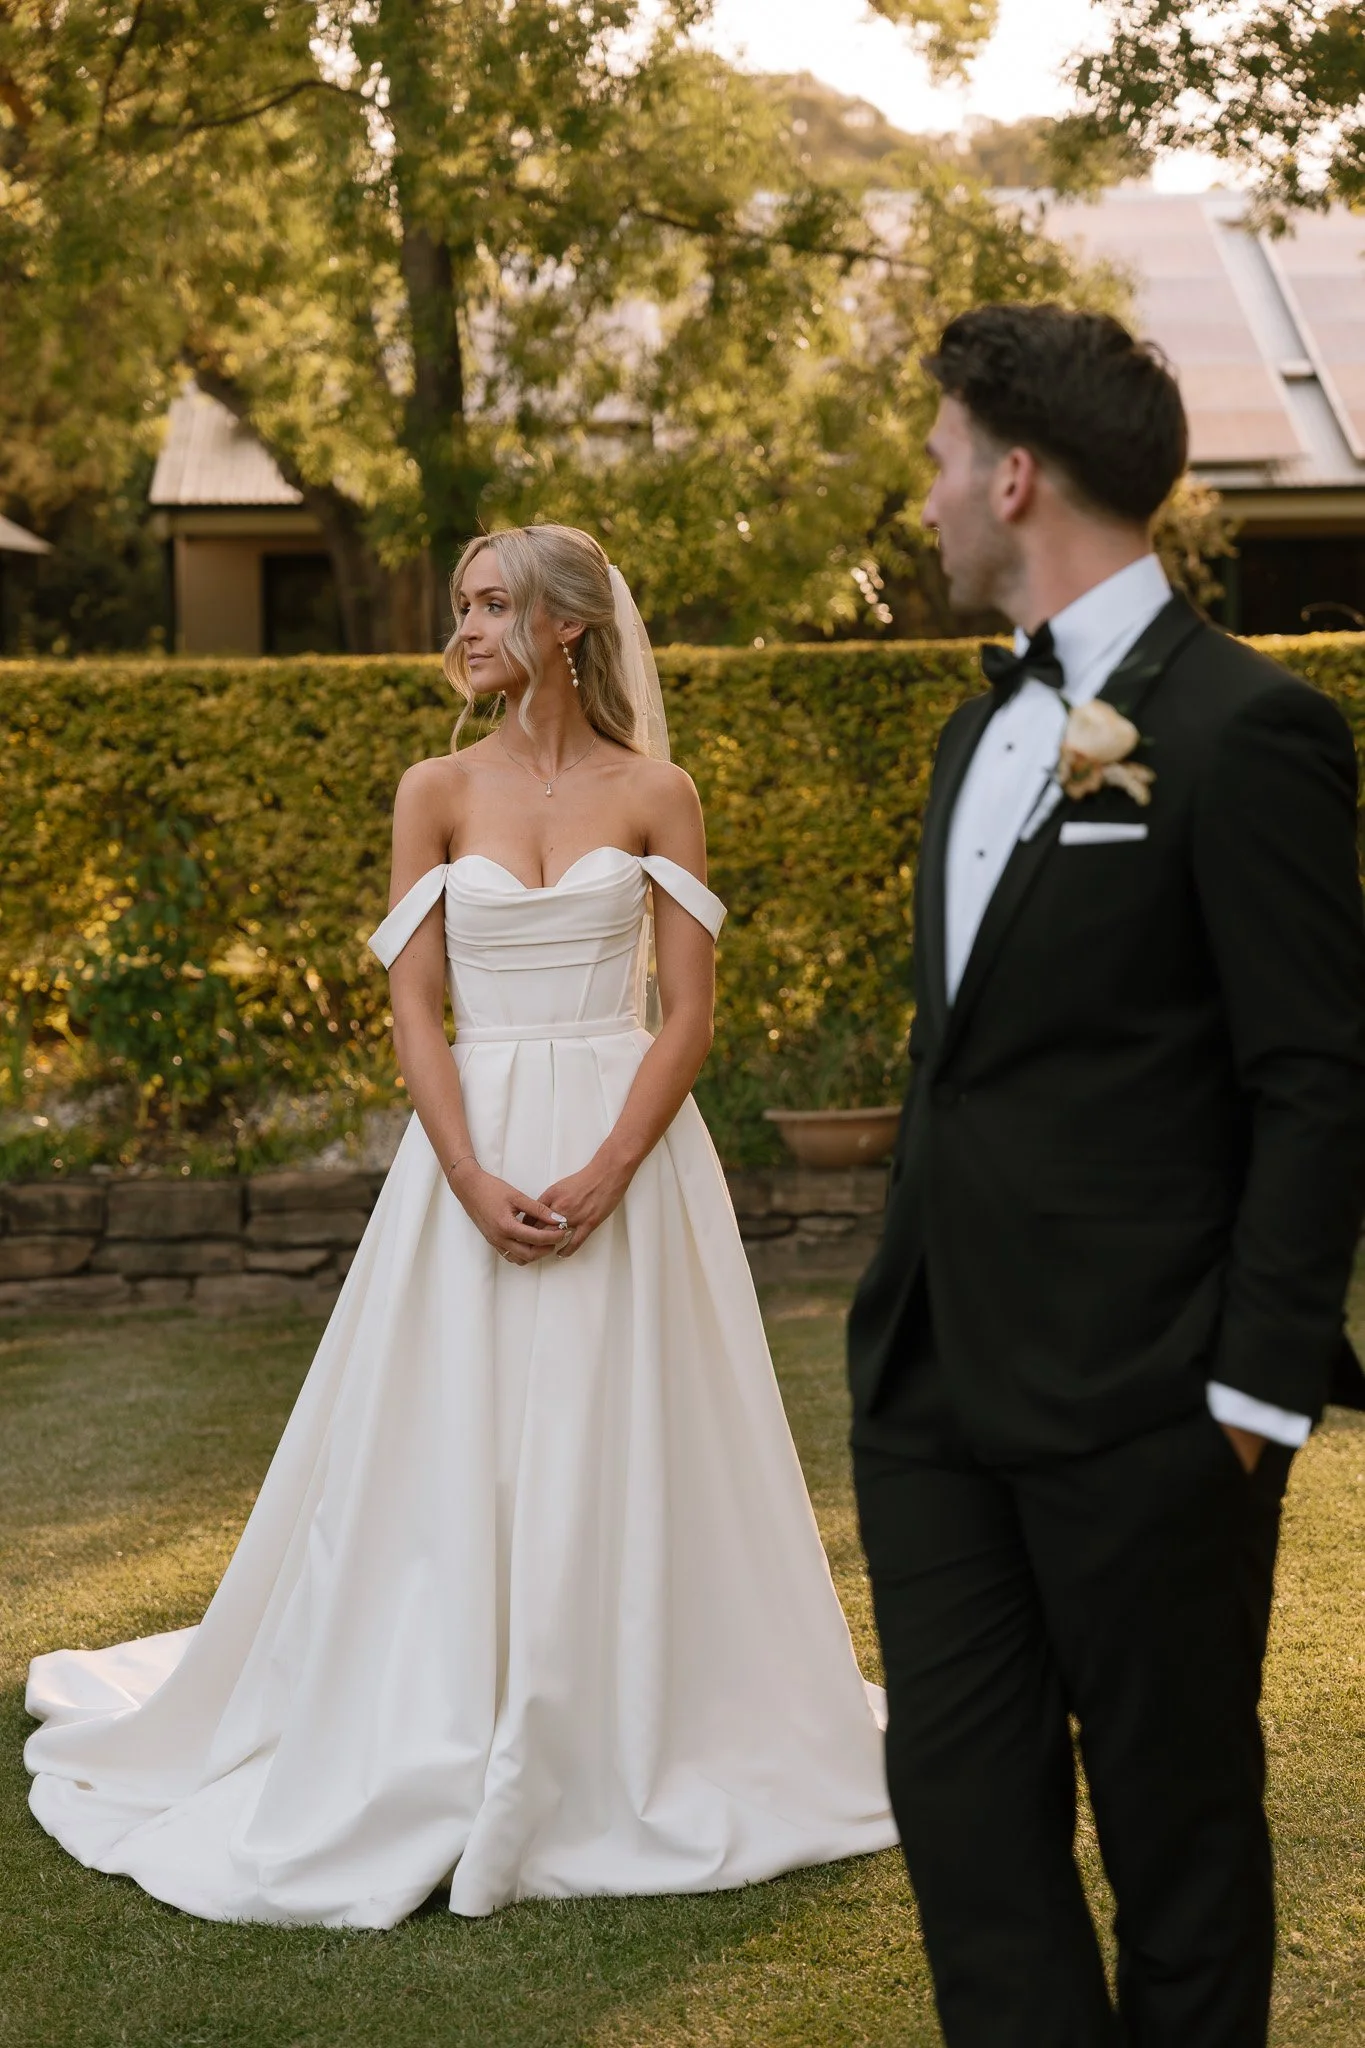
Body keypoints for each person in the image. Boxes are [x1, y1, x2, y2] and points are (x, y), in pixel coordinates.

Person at [25, 522, 896, 1926]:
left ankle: (633, 1716)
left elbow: (689, 1015)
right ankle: (434, 1698)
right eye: (463, 605)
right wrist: (470, 1172)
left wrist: (613, 1165)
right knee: (451, 1438)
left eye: (495, 605)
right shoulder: (431, 789)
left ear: (568, 625)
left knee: (632, 1429)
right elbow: (414, 1008)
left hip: (633, 1151)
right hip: (469, 1152)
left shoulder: (659, 792)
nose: (469, 628)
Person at [848, 305, 1365, 2046]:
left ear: (1012, 473)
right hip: (933, 1391)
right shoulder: (968, 739)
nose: (922, 500)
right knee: (971, 1839)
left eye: (935, 463)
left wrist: (1252, 1398)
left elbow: (1315, 1078)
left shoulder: (1246, 733)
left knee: (1181, 1842)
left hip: (1154, 1407)